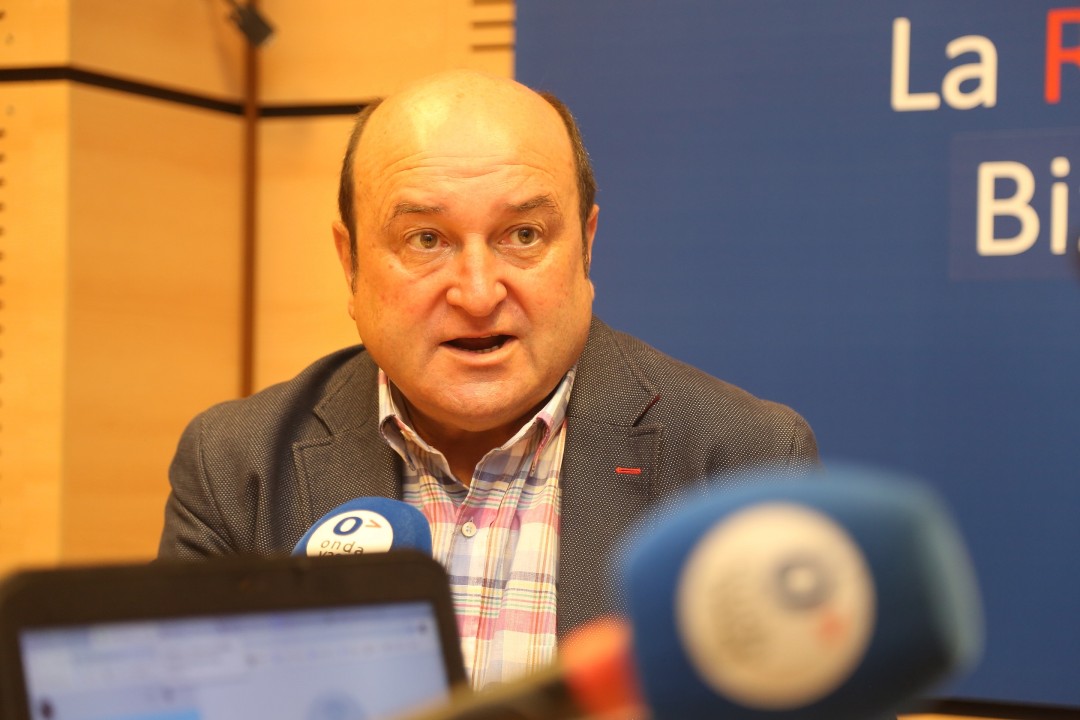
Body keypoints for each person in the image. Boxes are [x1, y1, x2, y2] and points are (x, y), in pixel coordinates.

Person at [158, 71, 818, 688]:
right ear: (350, 261)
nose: (477, 294)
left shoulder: (739, 464)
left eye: (523, 235)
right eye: (425, 239)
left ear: (586, 246)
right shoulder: (239, 466)